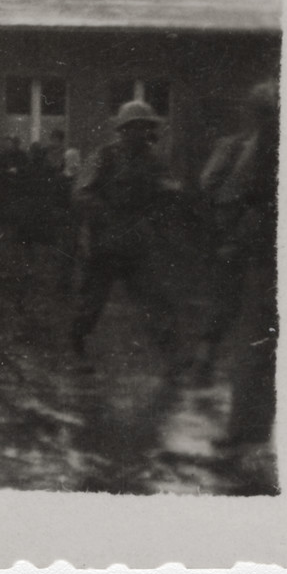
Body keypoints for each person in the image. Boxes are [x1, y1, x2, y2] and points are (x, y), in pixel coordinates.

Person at [195, 80, 280, 455]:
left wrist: (232, 235)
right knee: (257, 342)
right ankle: (251, 428)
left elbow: (230, 192)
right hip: (262, 252)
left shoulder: (258, 147)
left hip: (263, 253)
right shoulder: (253, 146)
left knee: (255, 343)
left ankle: (249, 429)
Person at [69, 100, 185, 375]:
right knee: (92, 303)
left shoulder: (154, 161)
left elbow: (166, 191)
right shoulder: (104, 156)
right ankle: (78, 350)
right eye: (137, 128)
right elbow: (81, 192)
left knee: (154, 299)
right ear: (124, 130)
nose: (143, 133)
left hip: (137, 244)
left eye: (147, 128)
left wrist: (169, 196)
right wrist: (105, 212)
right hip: (105, 244)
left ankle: (171, 358)